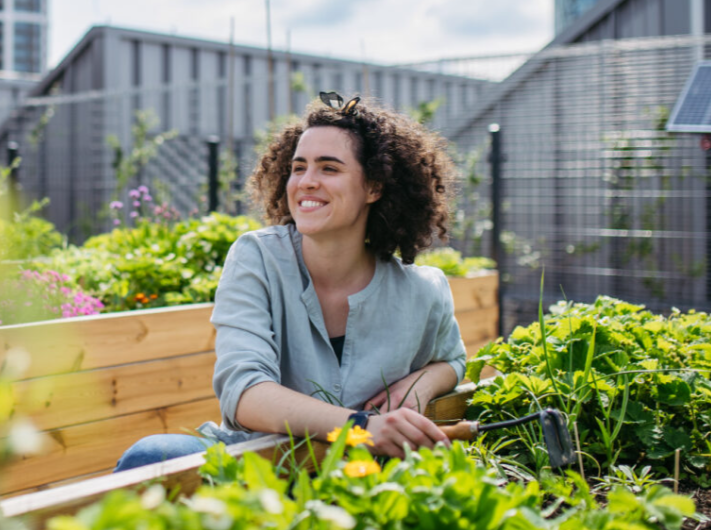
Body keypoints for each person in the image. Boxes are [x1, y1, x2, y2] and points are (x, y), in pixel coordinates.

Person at [113, 93, 466, 471]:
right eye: (299, 168)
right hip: (259, 464)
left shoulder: (423, 290)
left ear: (374, 187)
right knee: (149, 457)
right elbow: (244, 392)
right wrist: (360, 429)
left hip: (361, 480)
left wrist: (423, 383)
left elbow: (453, 359)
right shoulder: (257, 259)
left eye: (329, 168)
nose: (306, 182)